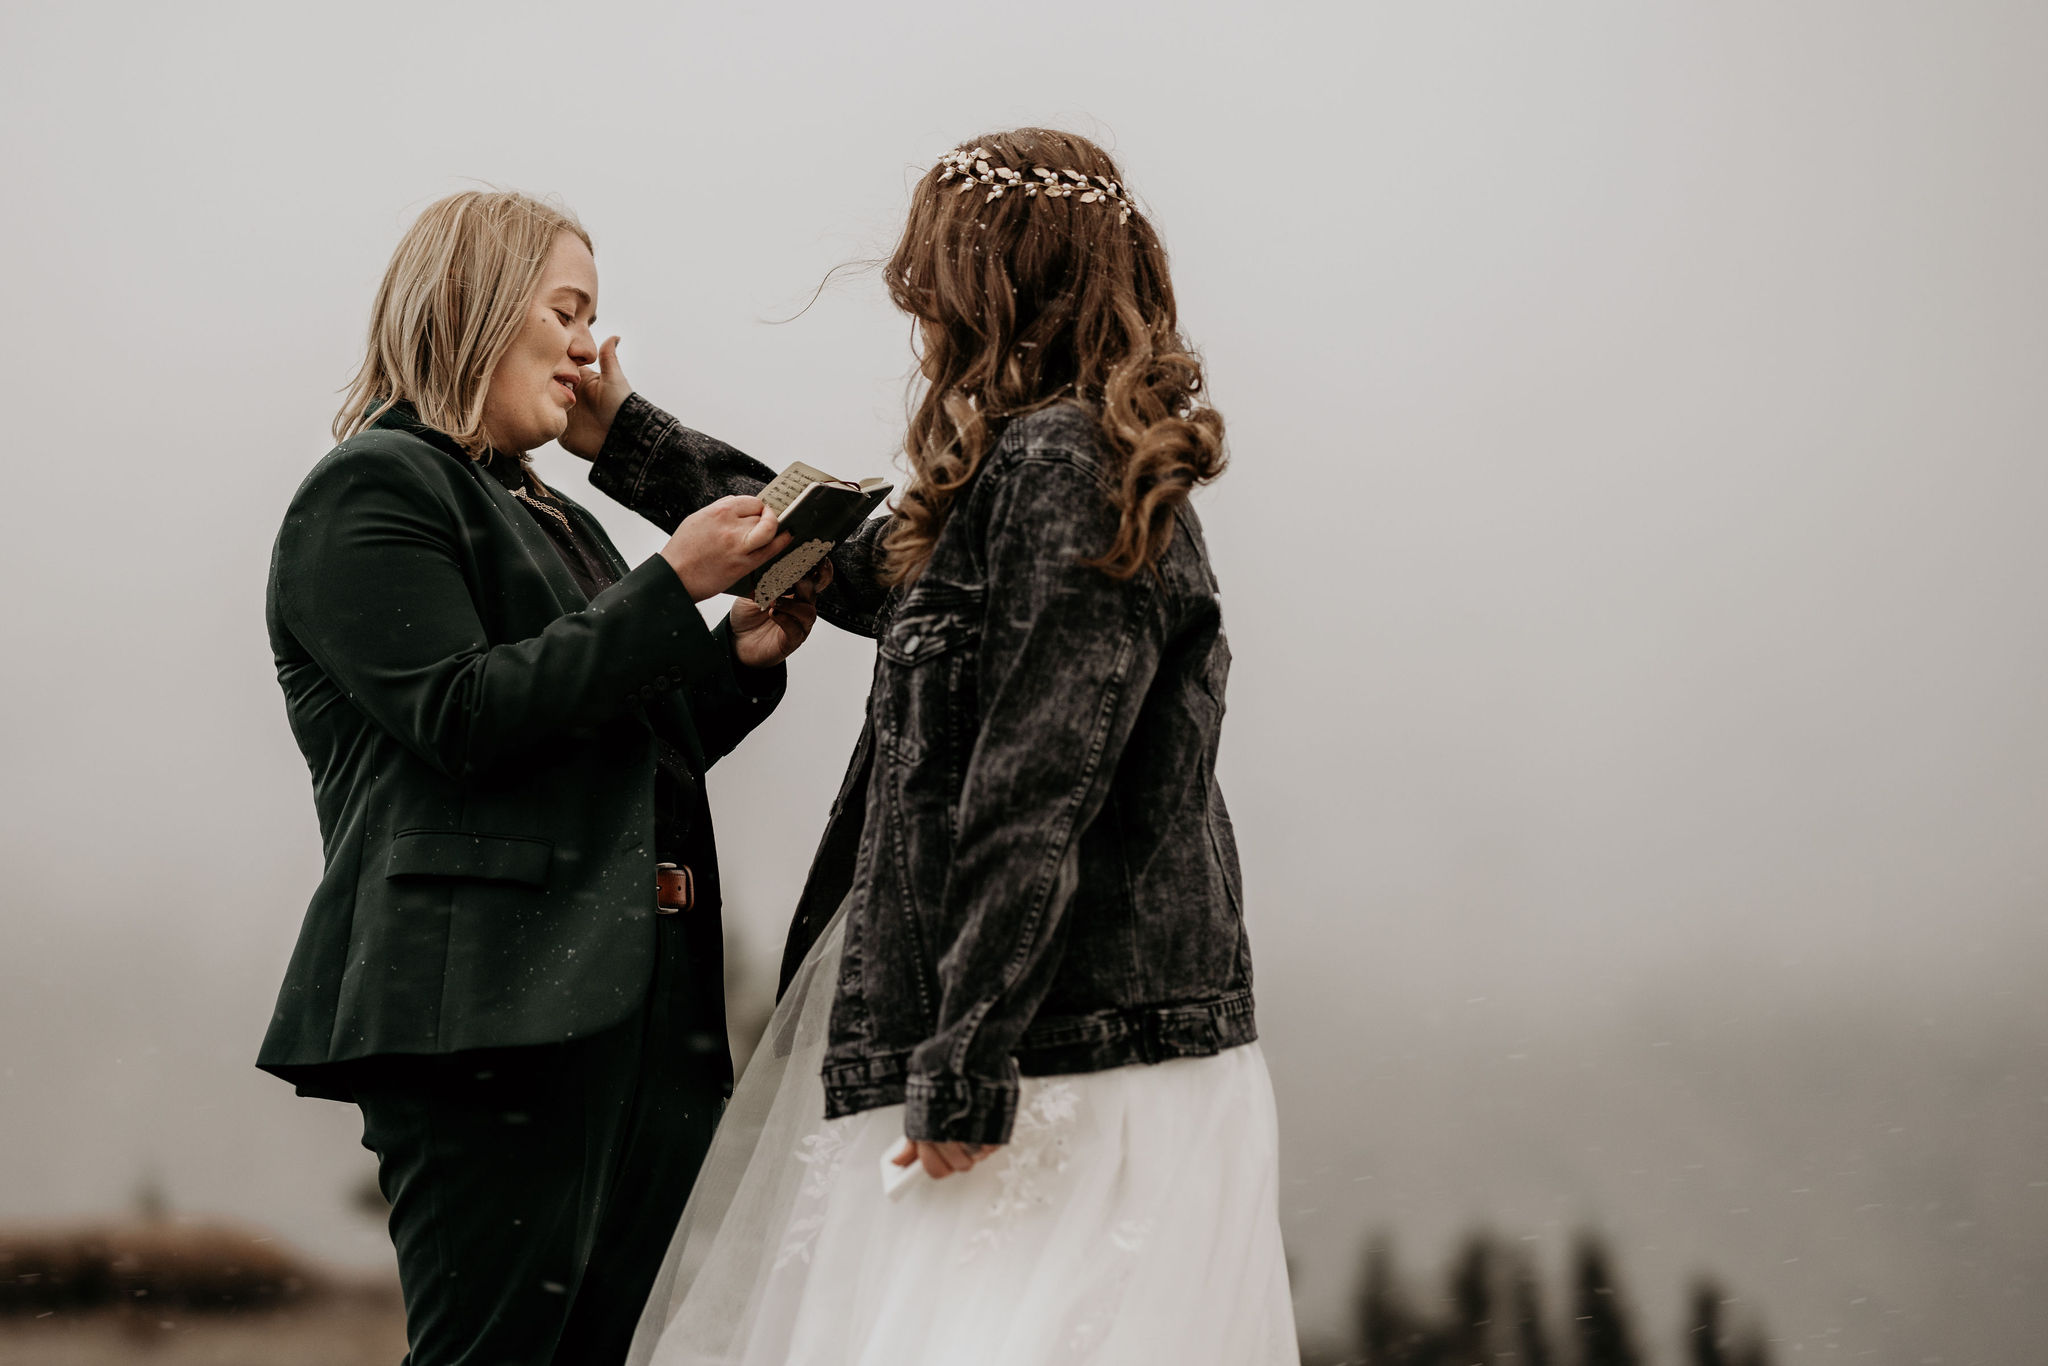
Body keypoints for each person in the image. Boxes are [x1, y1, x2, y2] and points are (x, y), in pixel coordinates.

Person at [558, 128, 1298, 1364]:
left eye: (937, 288)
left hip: (1060, 1048)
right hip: (1037, 1033)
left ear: (1002, 285)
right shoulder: (1025, 468)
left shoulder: (1065, 464)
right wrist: (628, 436)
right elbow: (845, 555)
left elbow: (1036, 785)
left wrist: (965, 1056)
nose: (925, 322)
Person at [257, 190, 824, 1366]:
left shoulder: (550, 514)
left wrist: (731, 658)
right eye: (567, 311)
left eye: (596, 318)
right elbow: (464, 716)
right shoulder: (370, 489)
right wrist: (668, 585)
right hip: (489, 1012)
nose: (589, 348)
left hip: (640, 1010)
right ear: (469, 302)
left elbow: (610, 744)